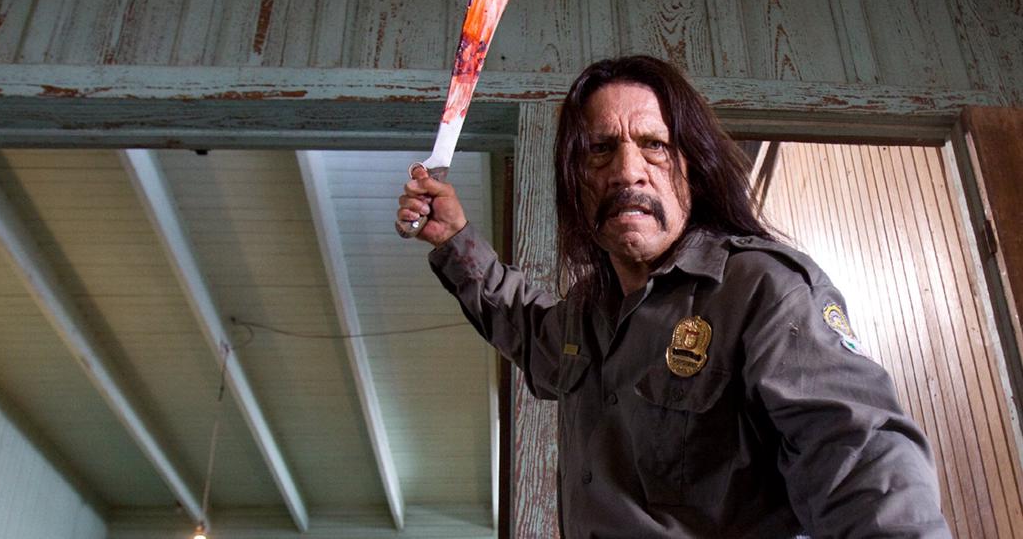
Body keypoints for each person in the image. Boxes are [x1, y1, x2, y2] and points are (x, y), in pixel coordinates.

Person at [397, 55, 950, 537]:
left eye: (654, 146)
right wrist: (454, 239)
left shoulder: (761, 289)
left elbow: (860, 458)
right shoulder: (585, 314)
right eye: (600, 150)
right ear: (576, 183)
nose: (627, 172)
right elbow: (523, 321)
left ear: (692, 169)